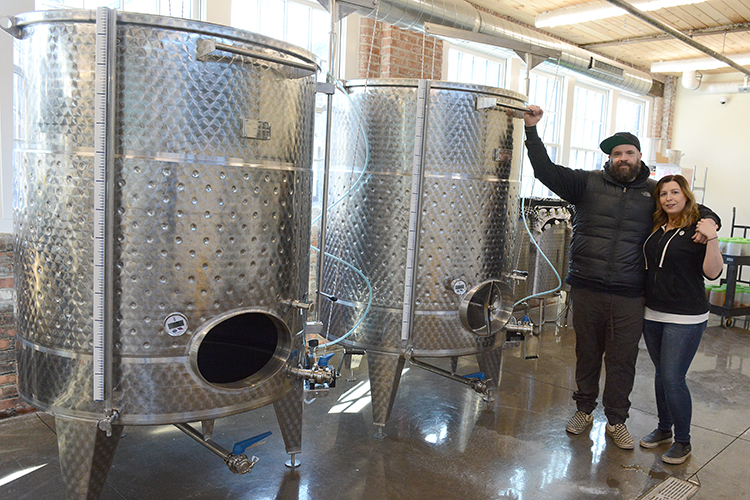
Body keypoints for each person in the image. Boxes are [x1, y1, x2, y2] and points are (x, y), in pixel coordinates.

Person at [522, 105, 719, 450]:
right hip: (586, 286)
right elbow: (544, 170)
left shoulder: (655, 193)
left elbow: (690, 207)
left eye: (629, 152)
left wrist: (712, 222)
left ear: (639, 156)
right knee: (587, 353)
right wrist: (531, 130)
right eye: (616, 153)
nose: (622, 158)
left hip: (630, 293)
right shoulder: (586, 184)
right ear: (610, 158)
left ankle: (616, 420)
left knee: (622, 359)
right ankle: (584, 409)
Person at [639, 175, 723, 464]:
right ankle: (664, 429)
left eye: (675, 192)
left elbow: (713, 272)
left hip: (685, 316)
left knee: (674, 378)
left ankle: (683, 441)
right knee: (662, 376)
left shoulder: (699, 228)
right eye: (663, 193)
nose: (669, 198)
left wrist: (711, 234)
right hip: (653, 313)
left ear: (686, 195)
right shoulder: (657, 226)